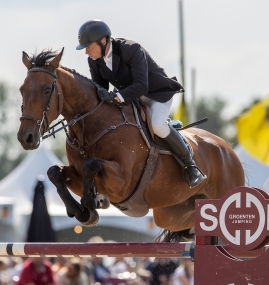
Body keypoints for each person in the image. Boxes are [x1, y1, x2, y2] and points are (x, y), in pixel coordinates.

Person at [76, 19, 205, 188]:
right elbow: (101, 89)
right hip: (132, 98)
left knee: (158, 124)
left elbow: (141, 86)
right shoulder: (94, 60)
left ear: (103, 41)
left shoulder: (131, 49)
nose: (86, 52)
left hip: (157, 95)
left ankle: (190, 165)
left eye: (88, 46)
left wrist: (115, 97)